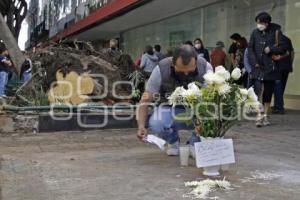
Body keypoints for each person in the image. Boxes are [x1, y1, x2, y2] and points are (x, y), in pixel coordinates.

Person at [136, 45, 213, 156]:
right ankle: (172, 141)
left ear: (196, 62)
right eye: (181, 72)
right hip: (170, 107)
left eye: (190, 71)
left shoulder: (205, 67)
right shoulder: (161, 69)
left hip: (197, 110)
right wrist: (141, 126)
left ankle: (195, 142)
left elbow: (210, 100)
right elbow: (145, 100)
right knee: (156, 123)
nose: (186, 74)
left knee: (215, 114)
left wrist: (204, 121)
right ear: (173, 63)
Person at [248, 12, 287, 127]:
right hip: (258, 67)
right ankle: (259, 116)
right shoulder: (255, 33)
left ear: (267, 23)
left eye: (260, 23)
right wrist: (254, 62)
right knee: (258, 91)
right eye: (257, 23)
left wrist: (271, 49)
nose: (258, 25)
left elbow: (284, 47)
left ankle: (264, 116)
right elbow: (250, 49)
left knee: (268, 92)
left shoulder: (276, 32)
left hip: (271, 68)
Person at [273, 35, 294, 114]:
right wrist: (290, 64)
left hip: (277, 67)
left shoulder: (273, 39)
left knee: (277, 87)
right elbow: (291, 53)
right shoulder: (287, 39)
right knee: (281, 87)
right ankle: (277, 106)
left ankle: (279, 107)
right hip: (286, 67)